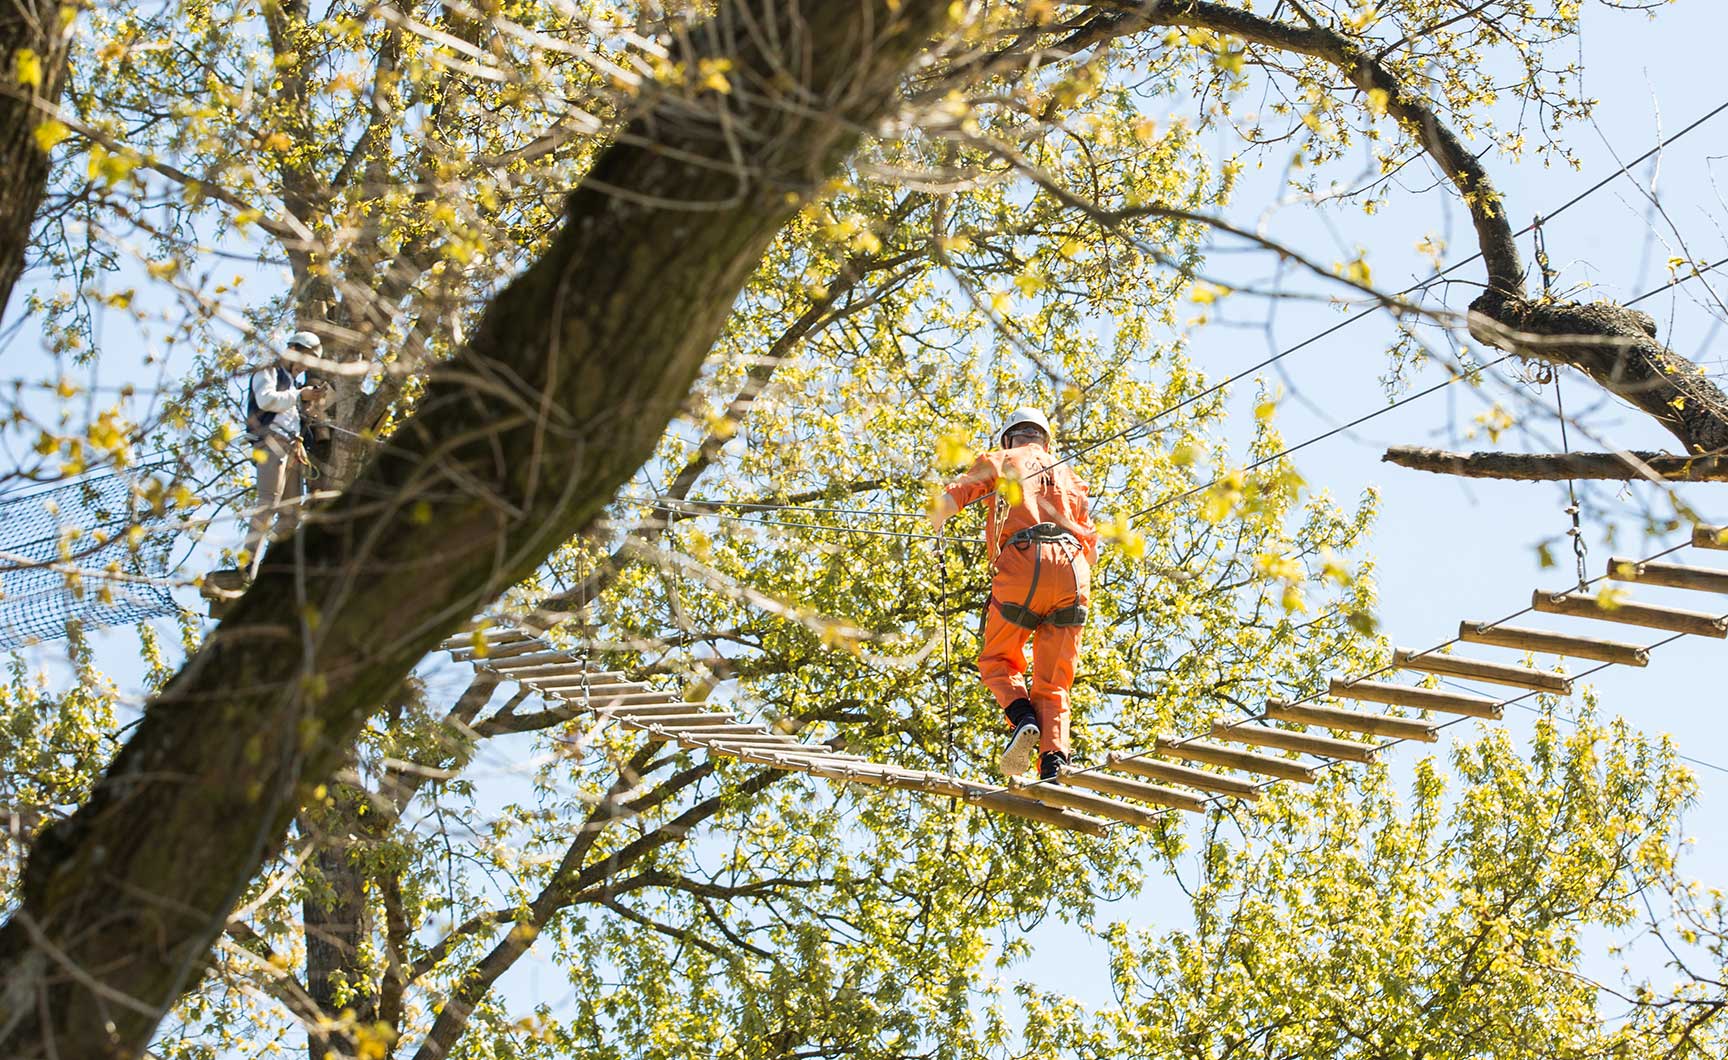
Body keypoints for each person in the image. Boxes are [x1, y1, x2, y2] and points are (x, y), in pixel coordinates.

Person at [929, 407, 1098, 782]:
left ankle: (1022, 716)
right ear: (1045, 442)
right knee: (1055, 681)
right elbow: (1092, 549)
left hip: (1024, 563)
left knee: (997, 659)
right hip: (1073, 572)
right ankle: (1054, 762)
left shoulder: (1002, 459)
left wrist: (936, 515)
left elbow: (956, 497)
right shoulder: (1070, 475)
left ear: (1008, 439)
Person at [243, 330, 319, 576]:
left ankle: (273, 569)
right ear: (293, 350)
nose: (303, 368)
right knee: (268, 501)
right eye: (304, 361)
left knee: (290, 513)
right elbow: (266, 400)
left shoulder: (292, 383)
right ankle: (247, 563)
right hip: (272, 442)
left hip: (292, 447)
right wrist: (299, 395)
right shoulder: (268, 371)